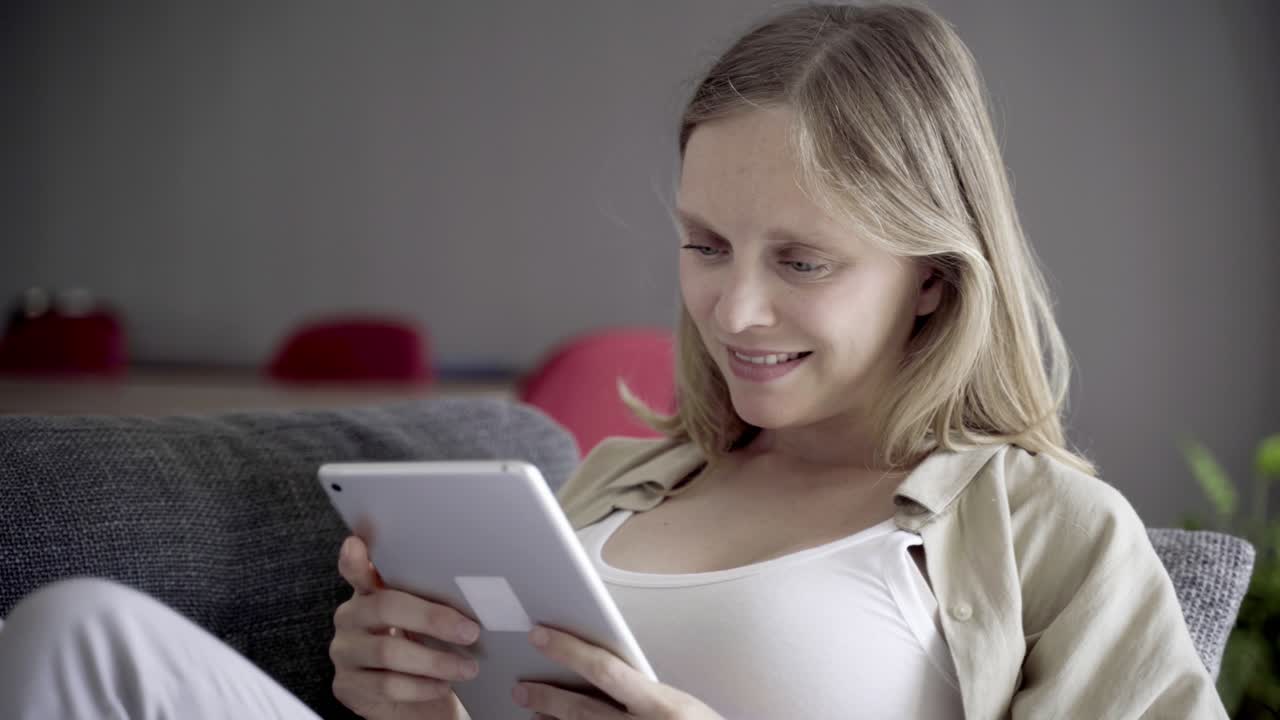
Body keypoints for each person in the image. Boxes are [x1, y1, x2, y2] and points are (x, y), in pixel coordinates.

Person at [0, 3, 1229, 719]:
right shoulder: (611, 483)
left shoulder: (1049, 529)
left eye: (801, 261)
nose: (731, 310)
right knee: (76, 633)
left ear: (932, 278)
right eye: (704, 245)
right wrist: (400, 697)